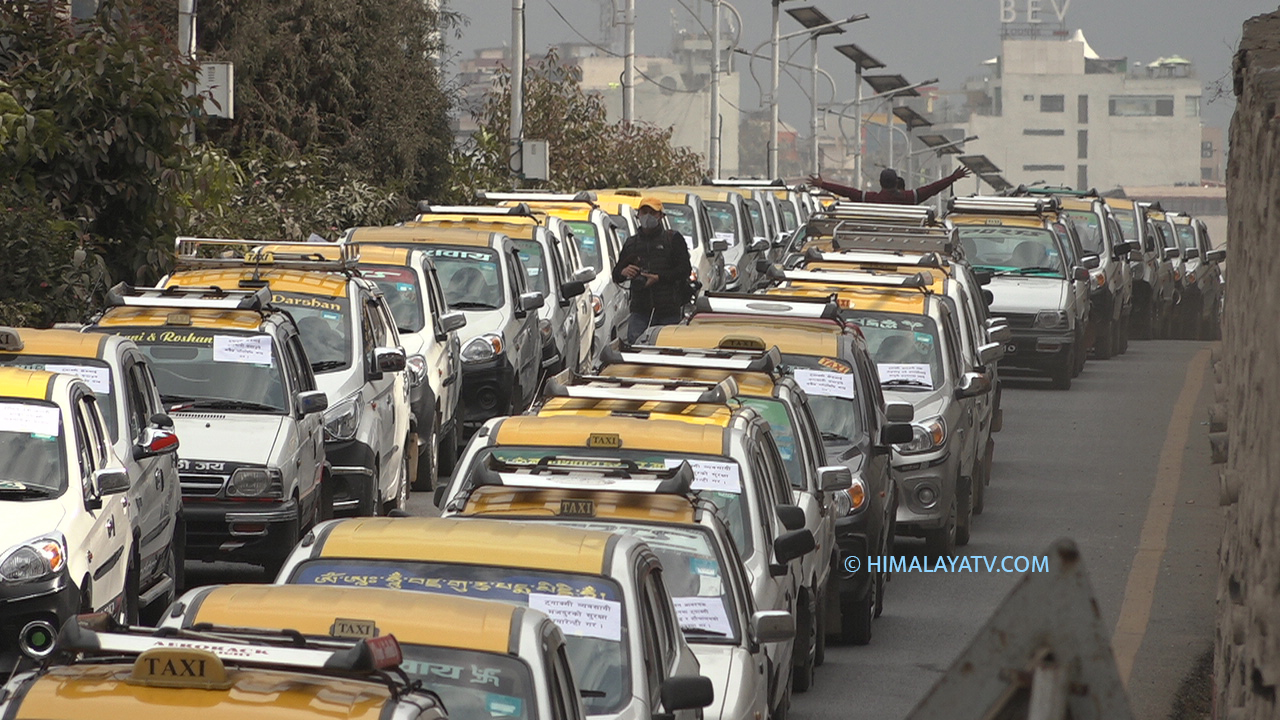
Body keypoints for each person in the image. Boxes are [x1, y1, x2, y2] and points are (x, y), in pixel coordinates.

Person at [611, 197, 693, 344]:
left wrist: (658, 278)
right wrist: (624, 272)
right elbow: (616, 274)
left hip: (668, 311)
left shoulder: (673, 239)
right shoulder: (632, 244)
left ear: (661, 216)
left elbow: (684, 270)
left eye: (652, 213)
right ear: (638, 215)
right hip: (640, 311)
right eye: (644, 212)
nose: (648, 216)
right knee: (636, 350)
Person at [807, 166, 972, 205]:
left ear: (880, 183)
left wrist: (823, 184)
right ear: (897, 183)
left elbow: (847, 192)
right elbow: (933, 188)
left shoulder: (871, 199)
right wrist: (952, 177)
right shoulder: (910, 198)